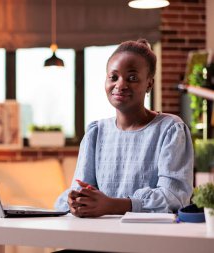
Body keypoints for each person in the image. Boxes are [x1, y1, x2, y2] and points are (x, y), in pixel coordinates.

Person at [55, 39, 194, 217]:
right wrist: (76, 201)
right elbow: (80, 188)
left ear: (149, 84)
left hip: (151, 239)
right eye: (113, 77)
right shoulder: (96, 132)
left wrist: (114, 205)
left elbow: (174, 197)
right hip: (98, 237)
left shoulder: (170, 129)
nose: (120, 85)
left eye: (132, 78)